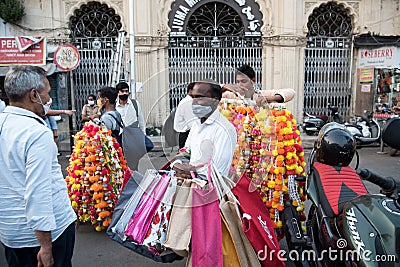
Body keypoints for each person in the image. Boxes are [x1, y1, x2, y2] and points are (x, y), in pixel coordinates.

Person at [0, 66, 76, 267]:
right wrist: (46, 245)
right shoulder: (36, 133)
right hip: (43, 237)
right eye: (47, 93)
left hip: (11, 234)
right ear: (34, 95)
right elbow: (38, 191)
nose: (49, 99)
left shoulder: (3, 124)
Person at [172, 80, 237, 178]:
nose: (194, 102)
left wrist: (192, 171)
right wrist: (178, 163)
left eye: (199, 98)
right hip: (191, 185)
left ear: (215, 100)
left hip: (209, 190)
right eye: (193, 98)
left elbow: (218, 170)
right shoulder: (196, 124)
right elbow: (186, 151)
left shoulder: (224, 130)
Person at [222, 64, 295, 105]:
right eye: (237, 82)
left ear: (253, 80)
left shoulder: (261, 94)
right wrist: (225, 87)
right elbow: (211, 93)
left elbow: (291, 92)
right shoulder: (231, 95)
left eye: (243, 81)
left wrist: (269, 99)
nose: (240, 85)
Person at [173, 83, 196, 148]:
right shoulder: (188, 102)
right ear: (190, 91)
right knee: (186, 154)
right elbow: (191, 121)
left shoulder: (190, 101)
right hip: (186, 133)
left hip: (188, 132)